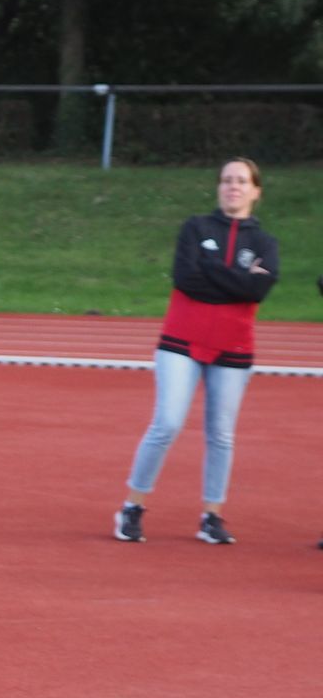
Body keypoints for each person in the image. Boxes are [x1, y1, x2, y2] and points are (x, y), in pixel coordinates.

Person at [112, 159, 278, 546]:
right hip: (181, 340)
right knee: (167, 423)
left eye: (241, 181)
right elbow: (186, 278)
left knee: (221, 434)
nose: (233, 186)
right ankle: (132, 507)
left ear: (256, 191)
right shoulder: (195, 228)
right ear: (218, 187)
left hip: (234, 346)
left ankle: (211, 516)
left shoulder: (265, 243)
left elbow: (257, 291)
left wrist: (213, 270)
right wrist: (238, 281)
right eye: (227, 180)